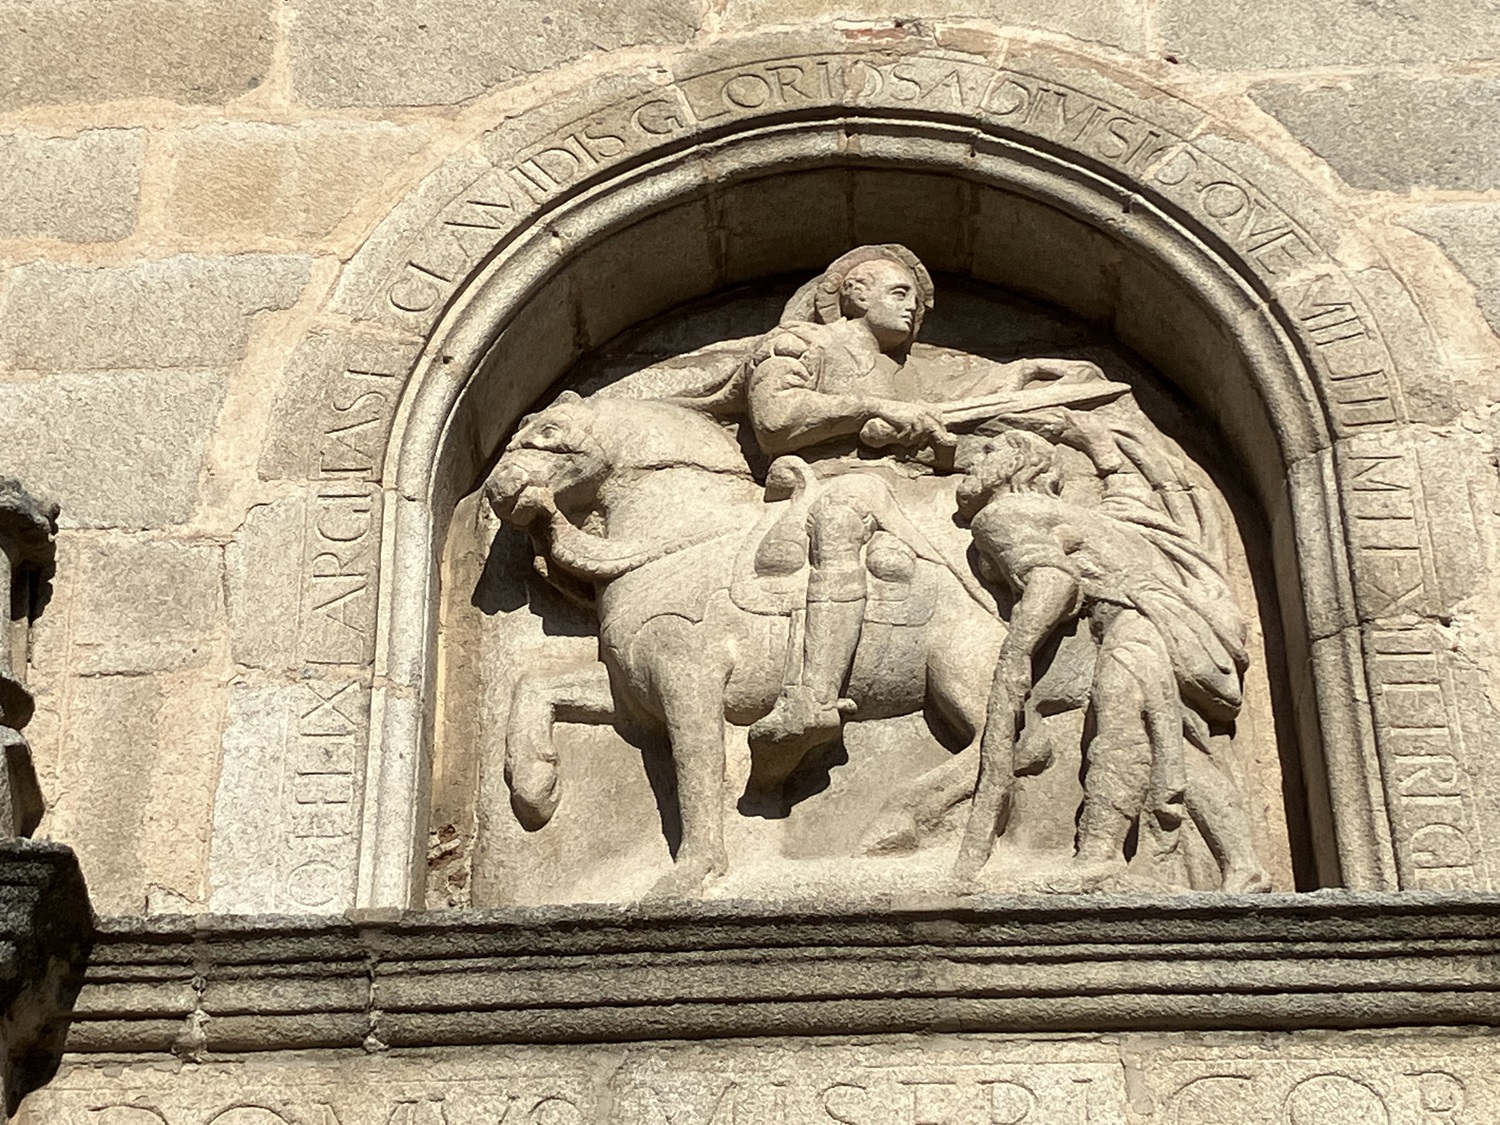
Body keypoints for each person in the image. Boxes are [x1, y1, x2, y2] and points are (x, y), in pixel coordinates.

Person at [953, 418, 1271, 892]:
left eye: (988, 451)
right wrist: (1103, 453)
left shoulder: (1004, 514)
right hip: (1175, 628)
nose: (973, 462)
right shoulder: (1085, 515)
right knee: (1172, 745)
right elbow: (1132, 505)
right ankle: (1245, 867)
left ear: (1016, 464)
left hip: (1136, 625)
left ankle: (1098, 858)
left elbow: (1054, 581)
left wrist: (1017, 650)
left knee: (1119, 732)